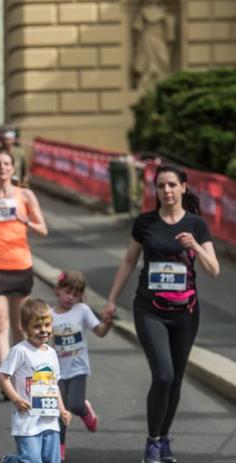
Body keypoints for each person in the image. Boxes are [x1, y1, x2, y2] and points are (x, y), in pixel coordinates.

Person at [103, 165, 219, 463]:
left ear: (183, 187)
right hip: (149, 309)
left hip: (185, 312)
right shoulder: (145, 223)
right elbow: (129, 261)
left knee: (176, 379)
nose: (166, 191)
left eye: (171, 185)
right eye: (161, 186)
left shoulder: (196, 225)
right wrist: (112, 299)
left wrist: (195, 246)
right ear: (156, 191)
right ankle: (153, 441)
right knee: (164, 375)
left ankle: (164, 437)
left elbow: (214, 270)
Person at [0, 149, 47, 375]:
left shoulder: (25, 195)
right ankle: (5, 377)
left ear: (13, 168)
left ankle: (20, 373)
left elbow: (42, 230)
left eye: (6, 163)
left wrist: (26, 220)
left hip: (20, 264)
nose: (2, 167)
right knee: (0, 324)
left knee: (20, 326)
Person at [0, 299, 72, 463]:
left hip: (50, 419)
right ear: (24, 328)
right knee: (31, 460)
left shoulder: (51, 353)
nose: (43, 330)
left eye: (47, 325)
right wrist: (16, 399)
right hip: (27, 421)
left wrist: (62, 409)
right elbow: (2, 376)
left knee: (52, 460)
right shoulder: (20, 351)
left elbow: (54, 385)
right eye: (37, 326)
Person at [51, 271, 111, 460]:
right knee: (60, 409)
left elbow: (99, 332)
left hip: (78, 368)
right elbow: (43, 339)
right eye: (68, 292)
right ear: (58, 290)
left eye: (76, 294)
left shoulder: (82, 311)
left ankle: (85, 410)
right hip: (58, 371)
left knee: (75, 405)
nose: (71, 297)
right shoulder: (50, 315)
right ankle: (60, 444)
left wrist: (107, 323)